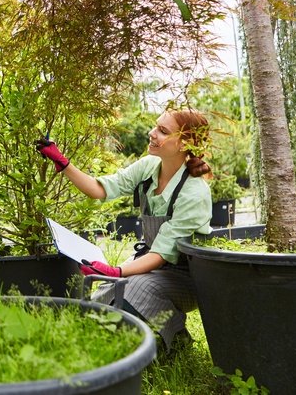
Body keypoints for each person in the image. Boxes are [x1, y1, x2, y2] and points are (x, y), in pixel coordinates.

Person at [35, 108, 212, 351]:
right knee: (106, 296)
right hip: (148, 261)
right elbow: (100, 189)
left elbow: (161, 254)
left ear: (185, 143)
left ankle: (178, 339)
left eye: (163, 131)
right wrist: (62, 162)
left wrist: (116, 270)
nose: (152, 133)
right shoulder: (149, 167)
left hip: (184, 275)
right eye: (155, 126)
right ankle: (129, 341)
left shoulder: (194, 193)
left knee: (132, 288)